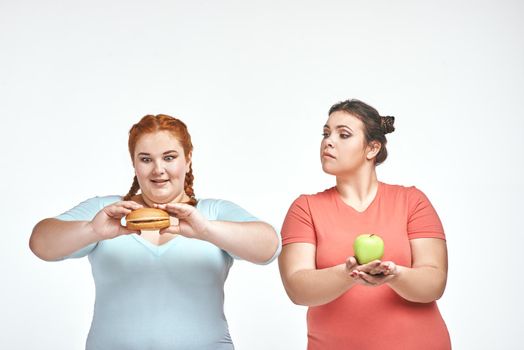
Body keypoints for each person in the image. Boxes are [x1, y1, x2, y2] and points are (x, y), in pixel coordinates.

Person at [29, 114, 281, 350]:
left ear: (188, 158)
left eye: (169, 157)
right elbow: (41, 243)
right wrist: (92, 230)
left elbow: (269, 247)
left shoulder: (212, 212)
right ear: (134, 163)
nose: (158, 169)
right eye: (146, 159)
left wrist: (206, 230)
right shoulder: (108, 212)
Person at [278, 99, 450, 350]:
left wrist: (395, 274)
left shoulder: (412, 201)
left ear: (372, 148)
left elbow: (434, 283)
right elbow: (297, 289)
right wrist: (348, 274)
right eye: (326, 133)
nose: (329, 141)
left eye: (343, 134)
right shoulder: (305, 209)